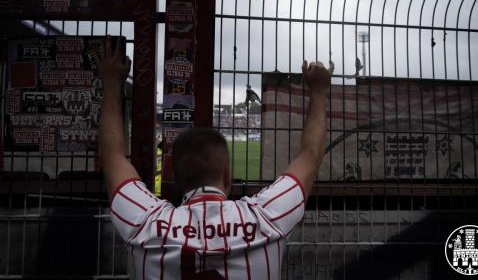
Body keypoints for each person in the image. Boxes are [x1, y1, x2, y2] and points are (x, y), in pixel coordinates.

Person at [98, 36, 333, 279]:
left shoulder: (147, 224)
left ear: (173, 177)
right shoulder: (266, 217)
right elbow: (310, 154)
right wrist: (319, 91)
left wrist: (111, 83)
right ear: (228, 175)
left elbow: (113, 157)